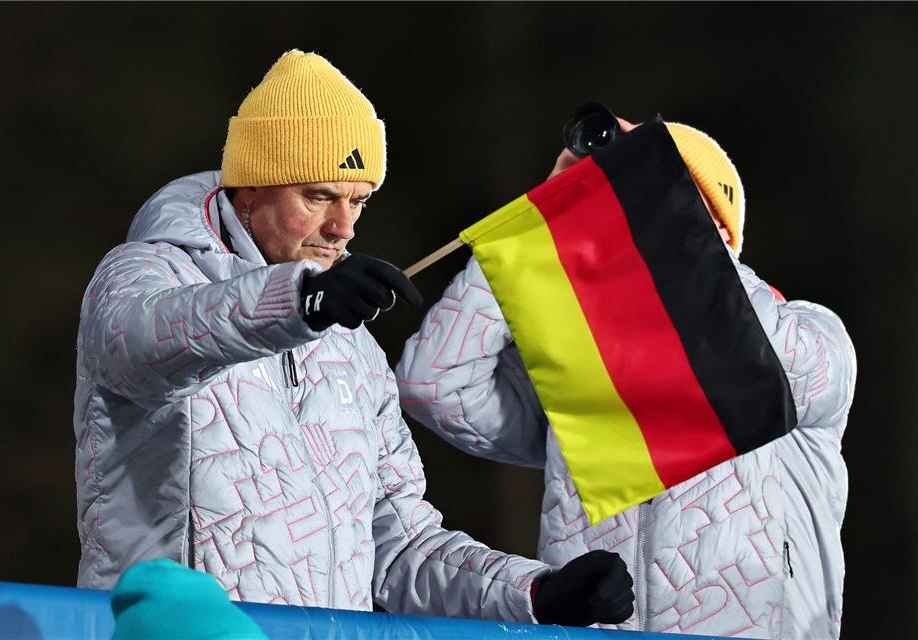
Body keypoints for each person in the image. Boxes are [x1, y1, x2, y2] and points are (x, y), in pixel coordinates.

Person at [73, 50, 634, 627]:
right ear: (250, 188)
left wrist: (535, 594)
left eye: (358, 200)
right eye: (318, 197)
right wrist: (298, 302)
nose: (343, 227)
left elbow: (401, 547)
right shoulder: (145, 273)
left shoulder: (349, 345)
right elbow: (140, 345)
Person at [396, 117, 856, 638]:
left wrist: (655, 200)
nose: (635, 217)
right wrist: (541, 225)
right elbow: (432, 384)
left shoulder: (814, 331)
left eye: (664, 197)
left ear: (723, 234)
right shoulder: (585, 366)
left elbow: (760, 352)